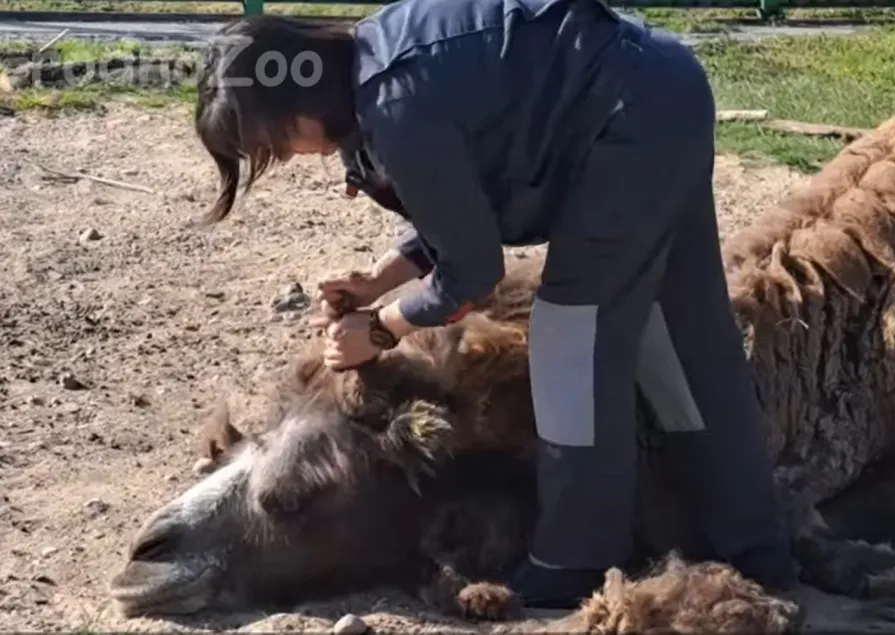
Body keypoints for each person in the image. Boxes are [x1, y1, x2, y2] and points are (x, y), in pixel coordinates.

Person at [193, 0, 796, 609]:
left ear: (300, 91)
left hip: (630, 123)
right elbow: (462, 204)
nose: (292, 154)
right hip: (662, 91)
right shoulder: (371, 71)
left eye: (278, 139)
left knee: (571, 335)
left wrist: (381, 328)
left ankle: (575, 558)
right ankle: (753, 542)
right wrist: (381, 278)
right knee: (679, 333)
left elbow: (475, 272)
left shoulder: (397, 108)